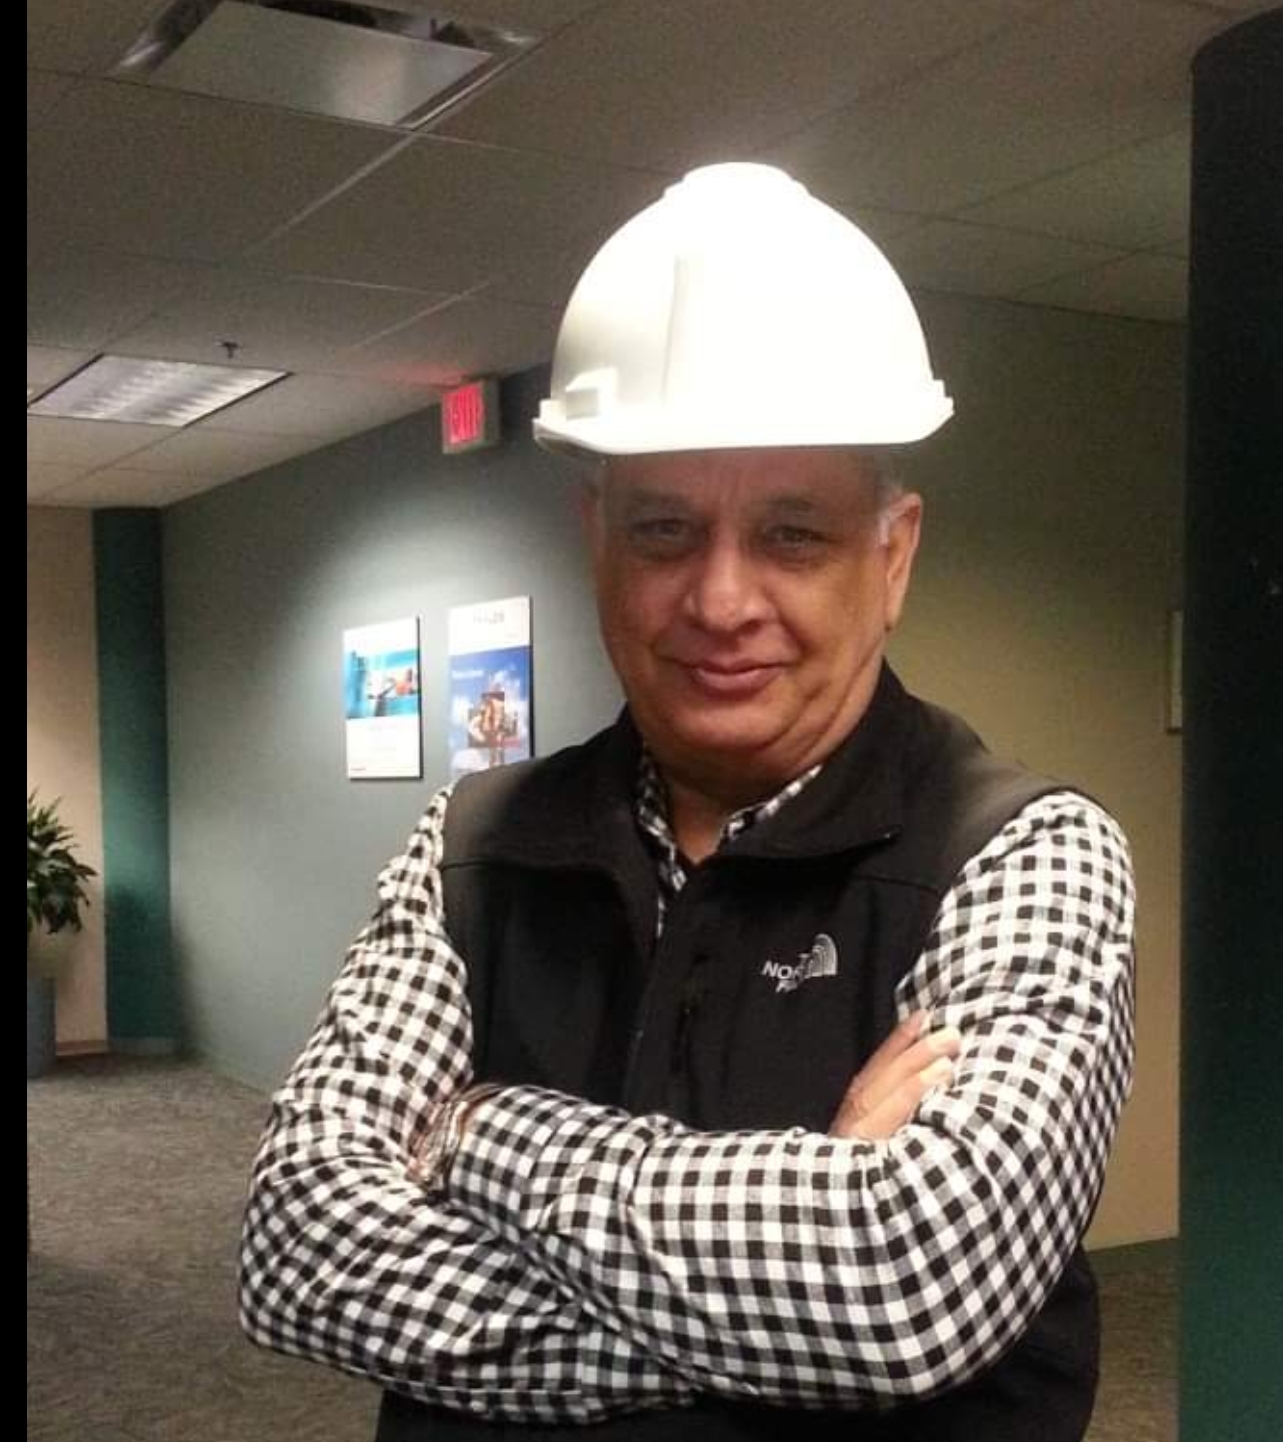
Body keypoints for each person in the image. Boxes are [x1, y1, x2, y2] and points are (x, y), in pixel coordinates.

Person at [239, 163, 1135, 1442]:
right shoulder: (472, 844)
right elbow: (300, 1251)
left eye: (790, 534)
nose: (719, 601)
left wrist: (481, 1133)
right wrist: (791, 1279)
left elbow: (904, 1286)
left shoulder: (1024, 852)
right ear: (595, 540)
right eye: (663, 531)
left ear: (891, 557)